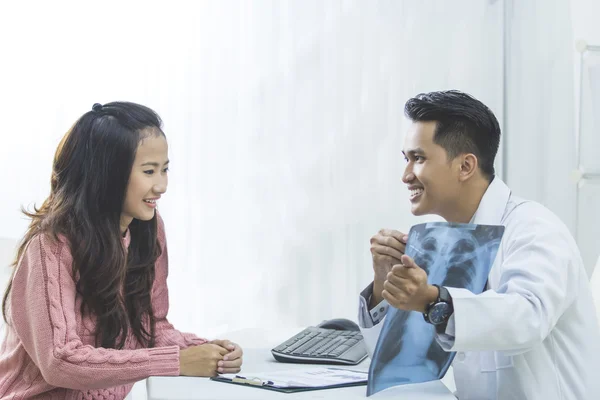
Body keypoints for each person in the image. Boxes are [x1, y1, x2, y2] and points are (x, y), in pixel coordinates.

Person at [358, 91, 600, 399]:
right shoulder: (446, 243)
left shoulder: (535, 228)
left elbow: (528, 316)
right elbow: (401, 363)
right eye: (406, 159)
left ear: (465, 166)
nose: (406, 175)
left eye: (418, 159)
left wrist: (434, 301)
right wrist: (384, 282)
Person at [0, 102, 243, 399]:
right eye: (149, 171)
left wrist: (207, 350)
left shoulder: (147, 230)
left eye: (164, 170)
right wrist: (175, 362)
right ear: (108, 175)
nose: (162, 185)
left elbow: (152, 329)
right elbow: (60, 361)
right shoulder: (51, 246)